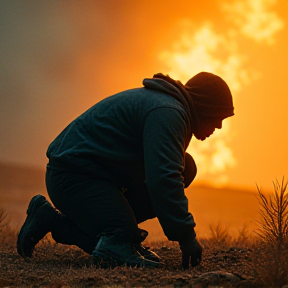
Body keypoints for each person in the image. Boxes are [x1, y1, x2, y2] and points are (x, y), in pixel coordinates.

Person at [17, 72, 234, 269]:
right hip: (73, 176)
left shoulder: (169, 109)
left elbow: (163, 172)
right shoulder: (168, 113)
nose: (220, 127)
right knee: (112, 244)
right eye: (219, 117)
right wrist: (186, 237)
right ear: (205, 106)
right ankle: (119, 236)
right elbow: (162, 179)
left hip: (93, 176)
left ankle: (56, 220)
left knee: (186, 167)